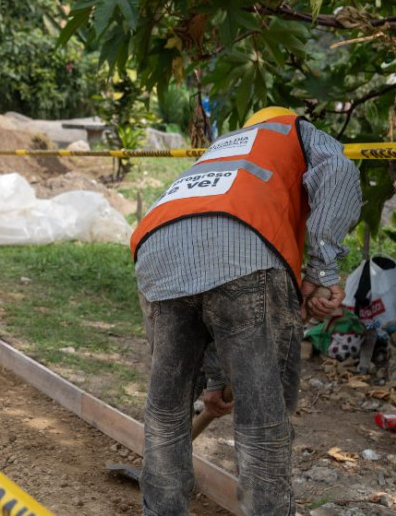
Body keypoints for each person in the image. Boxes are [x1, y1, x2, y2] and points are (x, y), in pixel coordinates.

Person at [131, 106, 362, 516]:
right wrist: (323, 269)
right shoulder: (293, 130)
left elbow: (207, 271)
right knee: (261, 418)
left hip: (157, 250)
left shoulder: (226, 146)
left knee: (167, 410)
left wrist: (218, 378)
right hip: (244, 246)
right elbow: (341, 173)